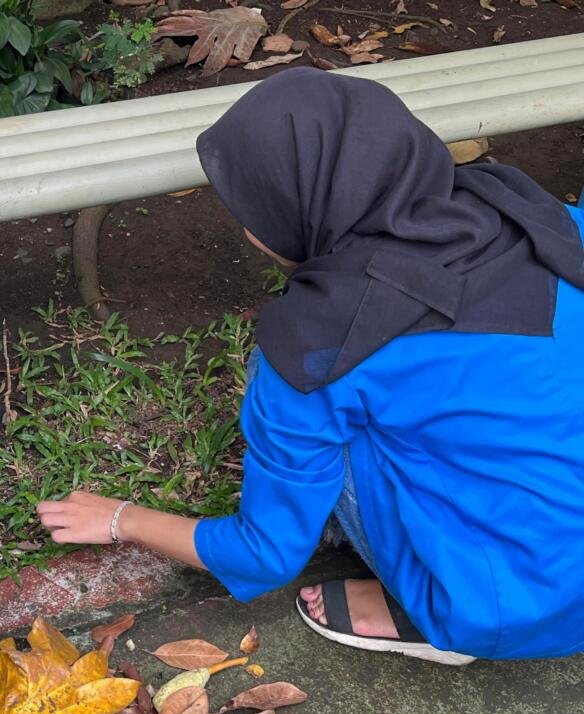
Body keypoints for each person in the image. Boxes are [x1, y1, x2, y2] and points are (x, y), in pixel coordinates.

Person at [37, 68, 584, 666]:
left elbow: (263, 552)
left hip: (518, 607)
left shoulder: (318, 350)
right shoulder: (540, 214)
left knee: (325, 418)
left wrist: (121, 518)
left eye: (252, 207)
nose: (247, 226)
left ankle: (438, 615)